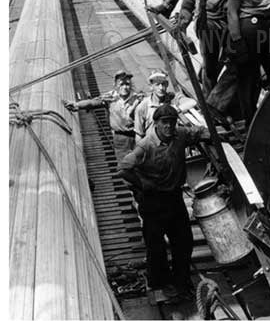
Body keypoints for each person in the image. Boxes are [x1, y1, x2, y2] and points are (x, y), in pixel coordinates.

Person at [118, 104, 210, 300]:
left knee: (184, 243)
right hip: (152, 203)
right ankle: (160, 282)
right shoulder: (145, 145)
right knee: (156, 246)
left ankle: (182, 281)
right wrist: (142, 183)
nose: (169, 126)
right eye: (164, 123)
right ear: (156, 124)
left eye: (172, 122)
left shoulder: (180, 135)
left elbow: (199, 132)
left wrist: (214, 136)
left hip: (174, 199)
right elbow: (124, 168)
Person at [64, 70, 143, 163]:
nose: (125, 87)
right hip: (121, 138)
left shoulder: (137, 98)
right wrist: (77, 105)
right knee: (125, 165)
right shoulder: (111, 97)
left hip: (138, 136)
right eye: (121, 84)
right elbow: (93, 102)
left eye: (127, 84)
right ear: (116, 84)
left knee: (140, 164)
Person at [134, 69, 176, 145]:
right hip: (153, 148)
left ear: (167, 85)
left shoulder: (172, 100)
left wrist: (177, 109)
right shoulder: (142, 107)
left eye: (163, 84)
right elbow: (139, 134)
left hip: (171, 146)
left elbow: (192, 102)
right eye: (157, 84)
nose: (161, 88)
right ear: (151, 86)